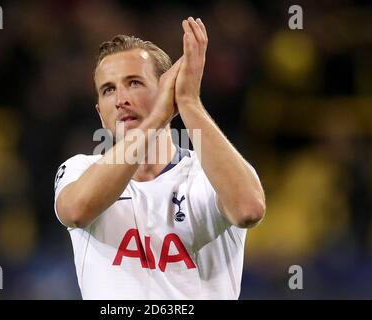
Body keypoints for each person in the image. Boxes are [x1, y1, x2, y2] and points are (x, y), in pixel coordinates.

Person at [53, 17, 266, 299]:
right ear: (100, 113)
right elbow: (77, 211)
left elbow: (249, 209)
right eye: (108, 90)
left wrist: (188, 101)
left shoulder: (208, 172)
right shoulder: (80, 168)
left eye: (134, 83)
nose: (120, 99)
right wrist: (158, 117)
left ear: (168, 92)